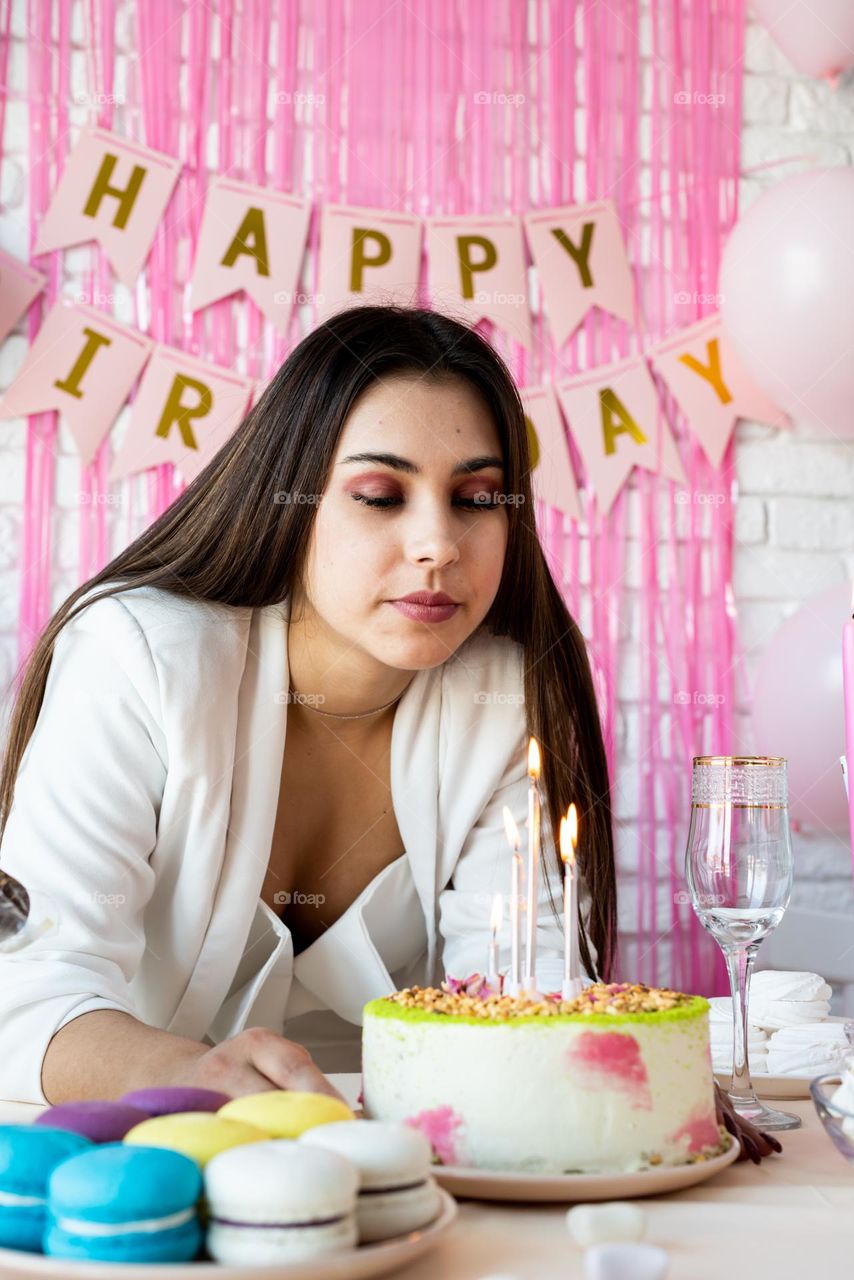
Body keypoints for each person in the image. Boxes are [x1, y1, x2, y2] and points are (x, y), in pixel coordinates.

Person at [0, 303, 608, 1105]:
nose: (439, 544)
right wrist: (188, 1077)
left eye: (477, 498)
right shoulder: (138, 658)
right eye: (380, 494)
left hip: (403, 1170)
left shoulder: (503, 700)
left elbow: (528, 995)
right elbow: (29, 990)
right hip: (135, 1158)